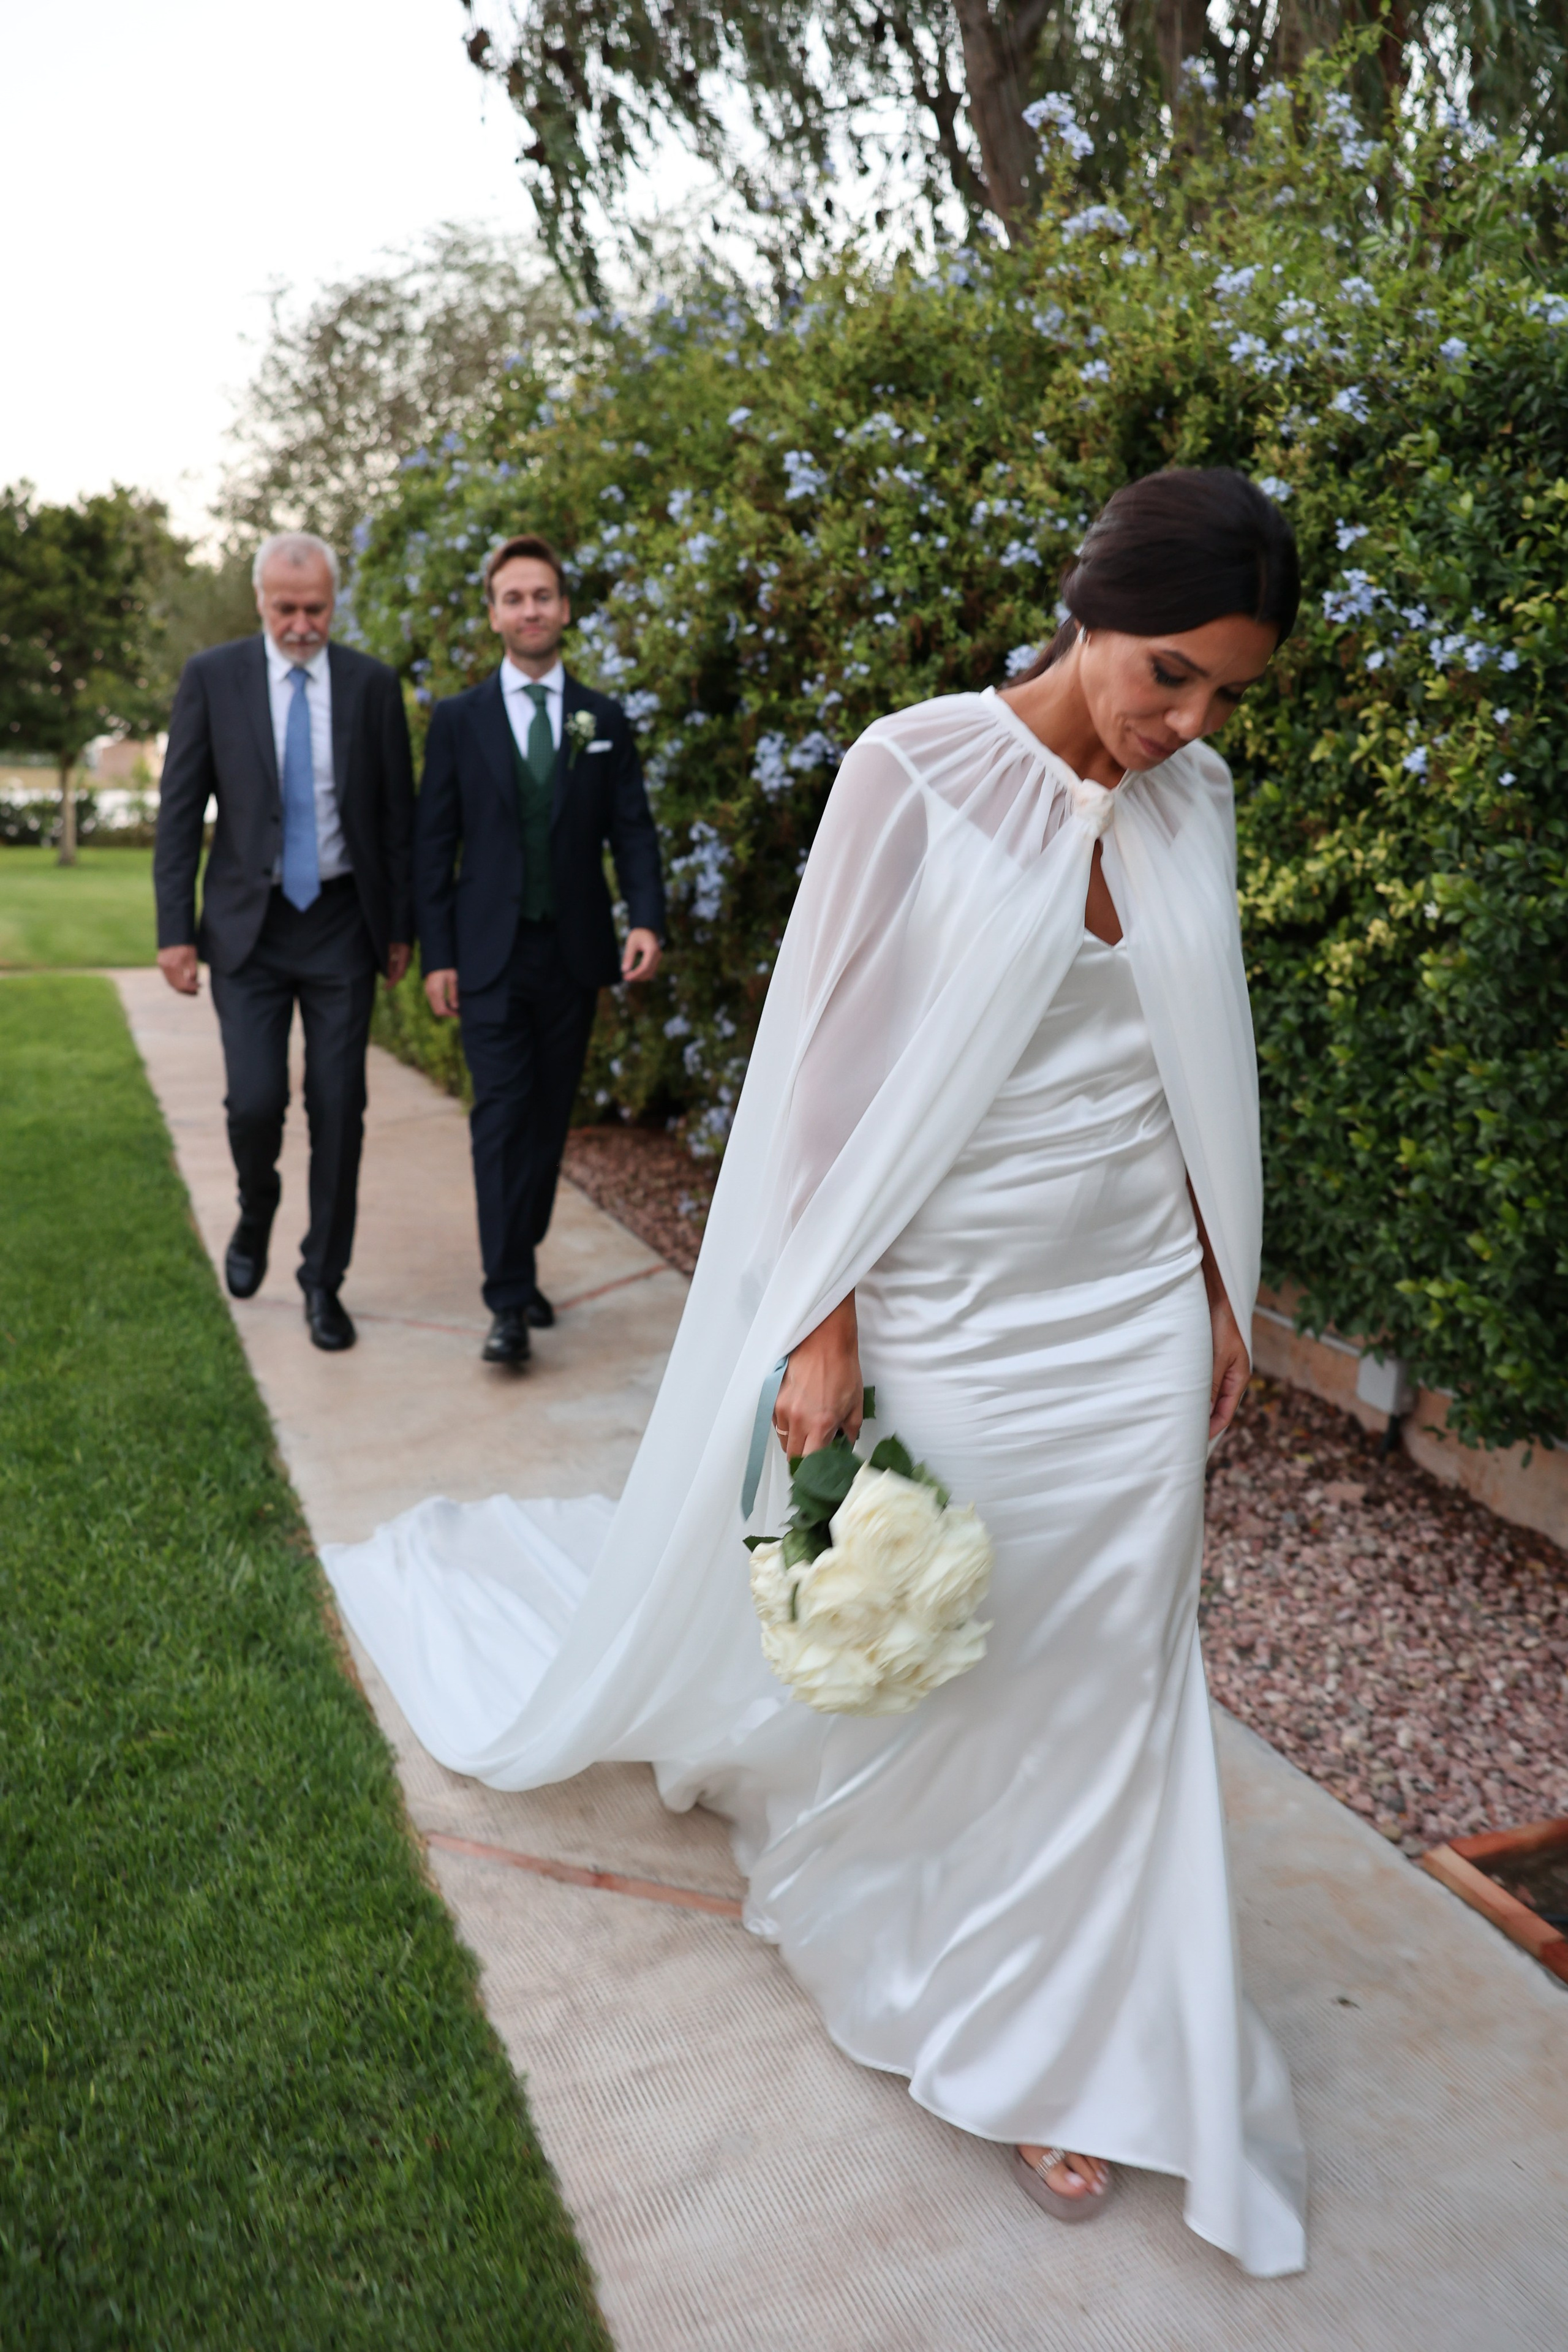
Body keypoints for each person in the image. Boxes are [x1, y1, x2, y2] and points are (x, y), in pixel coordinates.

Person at [328, 469, 1309, 2277]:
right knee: (987, 1657)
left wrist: (1220, 1285)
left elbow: (1203, 1052)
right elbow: (822, 1077)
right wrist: (822, 1321)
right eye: (1171, 673)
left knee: (1121, 1663)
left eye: (1227, 693)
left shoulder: (1197, 800)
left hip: (1132, 1315)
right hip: (954, 1299)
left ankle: (1080, 2031)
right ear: (1092, 604)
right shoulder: (915, 772)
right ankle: (974, 1959)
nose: (1190, 722)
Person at [153, 532, 414, 1351]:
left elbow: (397, 821)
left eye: (316, 608)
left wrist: (401, 926)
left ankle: (320, 1281)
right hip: (247, 932)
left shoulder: (371, 685)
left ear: (334, 602)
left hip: (340, 924)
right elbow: (179, 810)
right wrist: (174, 932)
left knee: (340, 1110)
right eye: (285, 608)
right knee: (257, 1103)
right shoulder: (213, 678)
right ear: (260, 602)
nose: (301, 624)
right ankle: (255, 1205)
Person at [414, 533, 666, 1368]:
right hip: (486, 958)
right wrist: (438, 954)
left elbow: (631, 829)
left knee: (548, 1125)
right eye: (513, 598)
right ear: (493, 615)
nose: (530, 610)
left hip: (574, 953)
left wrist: (646, 918)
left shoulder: (604, 718)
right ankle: (507, 1302)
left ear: (564, 608)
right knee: (500, 1119)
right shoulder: (457, 721)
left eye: (543, 596)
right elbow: (434, 846)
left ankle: (517, 1265)